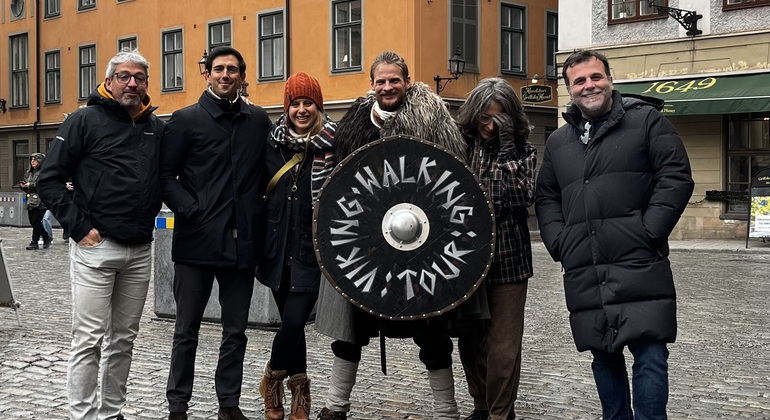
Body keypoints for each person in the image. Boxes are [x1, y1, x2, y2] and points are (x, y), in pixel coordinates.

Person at [535, 49, 694, 420]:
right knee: (604, 355)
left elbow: (675, 177)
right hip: (585, 265)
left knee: (650, 353)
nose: (589, 85)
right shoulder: (559, 142)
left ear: (610, 80)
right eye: (579, 81)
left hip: (639, 260)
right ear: (569, 89)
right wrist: (560, 242)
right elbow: (546, 196)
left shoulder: (646, 120)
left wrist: (649, 230)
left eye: (596, 77)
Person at [315, 51, 467, 420]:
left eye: (394, 80)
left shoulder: (431, 120)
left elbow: (451, 179)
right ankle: (336, 405)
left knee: (431, 330)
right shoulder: (354, 123)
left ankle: (446, 412)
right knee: (349, 330)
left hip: (421, 243)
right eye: (381, 81)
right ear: (372, 84)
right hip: (363, 246)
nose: (387, 87)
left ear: (407, 82)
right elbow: (339, 183)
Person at [37, 48, 165, 420]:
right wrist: (79, 228)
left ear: (146, 84)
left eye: (139, 78)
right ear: (108, 81)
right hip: (96, 247)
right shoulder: (84, 120)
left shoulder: (155, 128)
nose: (132, 83)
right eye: (124, 76)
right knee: (88, 340)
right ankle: (83, 415)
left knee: (123, 340)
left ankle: (111, 412)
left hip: (139, 249)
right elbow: (49, 179)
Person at [160, 46, 271, 420]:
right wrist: (193, 211)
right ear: (207, 74)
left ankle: (229, 404)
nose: (225, 75)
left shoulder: (257, 120)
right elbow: (166, 178)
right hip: (196, 242)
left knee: (235, 332)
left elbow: (267, 174)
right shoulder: (185, 120)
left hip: (242, 245)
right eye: (219, 69)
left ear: (242, 76)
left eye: (232, 70)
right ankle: (178, 405)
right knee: (186, 330)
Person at [455, 78, 536, 420]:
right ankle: (481, 405)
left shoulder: (522, 152)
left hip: (508, 259)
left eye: (498, 119)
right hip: (465, 260)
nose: (490, 126)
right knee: (471, 339)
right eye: (484, 118)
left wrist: (506, 150)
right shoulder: (459, 147)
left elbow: (522, 197)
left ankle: (501, 413)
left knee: (503, 345)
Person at [257, 72, 336, 420]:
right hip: (276, 249)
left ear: (318, 106)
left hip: (312, 250)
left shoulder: (333, 143)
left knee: (292, 322)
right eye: (295, 104)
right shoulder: (272, 144)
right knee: (294, 329)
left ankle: (271, 380)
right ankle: (300, 395)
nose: (301, 110)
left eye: (308, 103)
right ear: (287, 108)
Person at [19, 153, 52, 250]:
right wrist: (23, 186)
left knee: (36, 221)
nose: (32, 162)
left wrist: (30, 185)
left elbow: (43, 185)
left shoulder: (44, 172)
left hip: (41, 200)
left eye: (35, 160)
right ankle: (46, 237)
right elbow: (27, 187)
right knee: (32, 222)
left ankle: (34, 242)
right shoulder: (29, 172)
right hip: (31, 200)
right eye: (31, 160)